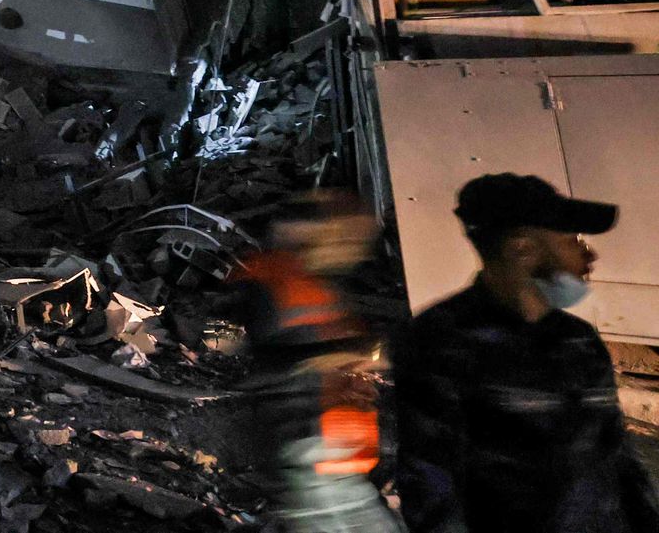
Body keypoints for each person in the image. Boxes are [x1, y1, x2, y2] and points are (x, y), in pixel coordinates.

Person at [393, 172, 659, 533]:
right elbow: (432, 486)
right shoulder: (441, 342)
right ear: (522, 248)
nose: (589, 254)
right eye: (572, 239)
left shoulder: (578, 339)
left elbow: (618, 457)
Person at [232, 191, 397, 533]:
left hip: (337, 452)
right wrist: (334, 358)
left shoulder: (324, 287)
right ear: (322, 232)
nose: (358, 250)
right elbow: (271, 359)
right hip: (309, 449)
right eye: (350, 237)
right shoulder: (276, 283)